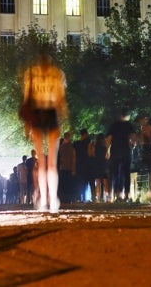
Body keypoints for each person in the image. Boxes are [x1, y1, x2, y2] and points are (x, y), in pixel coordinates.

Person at [20, 52, 68, 213]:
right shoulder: (57, 74)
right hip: (51, 112)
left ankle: (44, 200)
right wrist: (64, 116)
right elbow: (61, 100)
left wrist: (27, 124)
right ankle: (53, 198)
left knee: (41, 161)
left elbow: (27, 100)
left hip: (37, 114)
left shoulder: (31, 74)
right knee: (52, 162)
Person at [106, 108, 136, 202]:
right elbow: (133, 137)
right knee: (126, 173)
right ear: (126, 115)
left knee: (115, 174)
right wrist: (132, 144)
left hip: (115, 152)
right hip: (126, 152)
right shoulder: (129, 125)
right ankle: (126, 195)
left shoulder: (114, 125)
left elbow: (109, 139)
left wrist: (107, 150)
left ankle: (117, 195)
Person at [73, 129, 95, 202]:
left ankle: (81, 197)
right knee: (91, 182)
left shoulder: (76, 143)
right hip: (89, 165)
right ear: (86, 134)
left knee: (81, 183)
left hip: (79, 165)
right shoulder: (89, 142)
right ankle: (93, 197)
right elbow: (90, 153)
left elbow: (74, 155)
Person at [58, 131, 76, 203]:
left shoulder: (63, 146)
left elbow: (73, 157)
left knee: (65, 184)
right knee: (67, 184)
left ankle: (65, 198)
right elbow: (74, 157)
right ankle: (66, 199)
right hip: (66, 167)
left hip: (65, 167)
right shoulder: (68, 146)